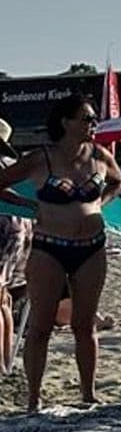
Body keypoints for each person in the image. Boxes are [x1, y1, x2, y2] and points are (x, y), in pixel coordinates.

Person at [0, 95, 121, 409]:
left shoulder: (100, 156)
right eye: (86, 118)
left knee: (85, 325)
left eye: (93, 119)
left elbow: (117, 181)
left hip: (91, 248)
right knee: (40, 326)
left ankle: (88, 393)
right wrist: (29, 205)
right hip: (49, 248)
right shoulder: (41, 158)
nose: (93, 124)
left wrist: (99, 204)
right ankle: (33, 398)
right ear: (66, 122)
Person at [0, 118, 28, 377]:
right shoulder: (13, 165)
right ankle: (5, 360)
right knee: (4, 298)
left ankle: (1, 363)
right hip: (18, 228)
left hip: (4, 227)